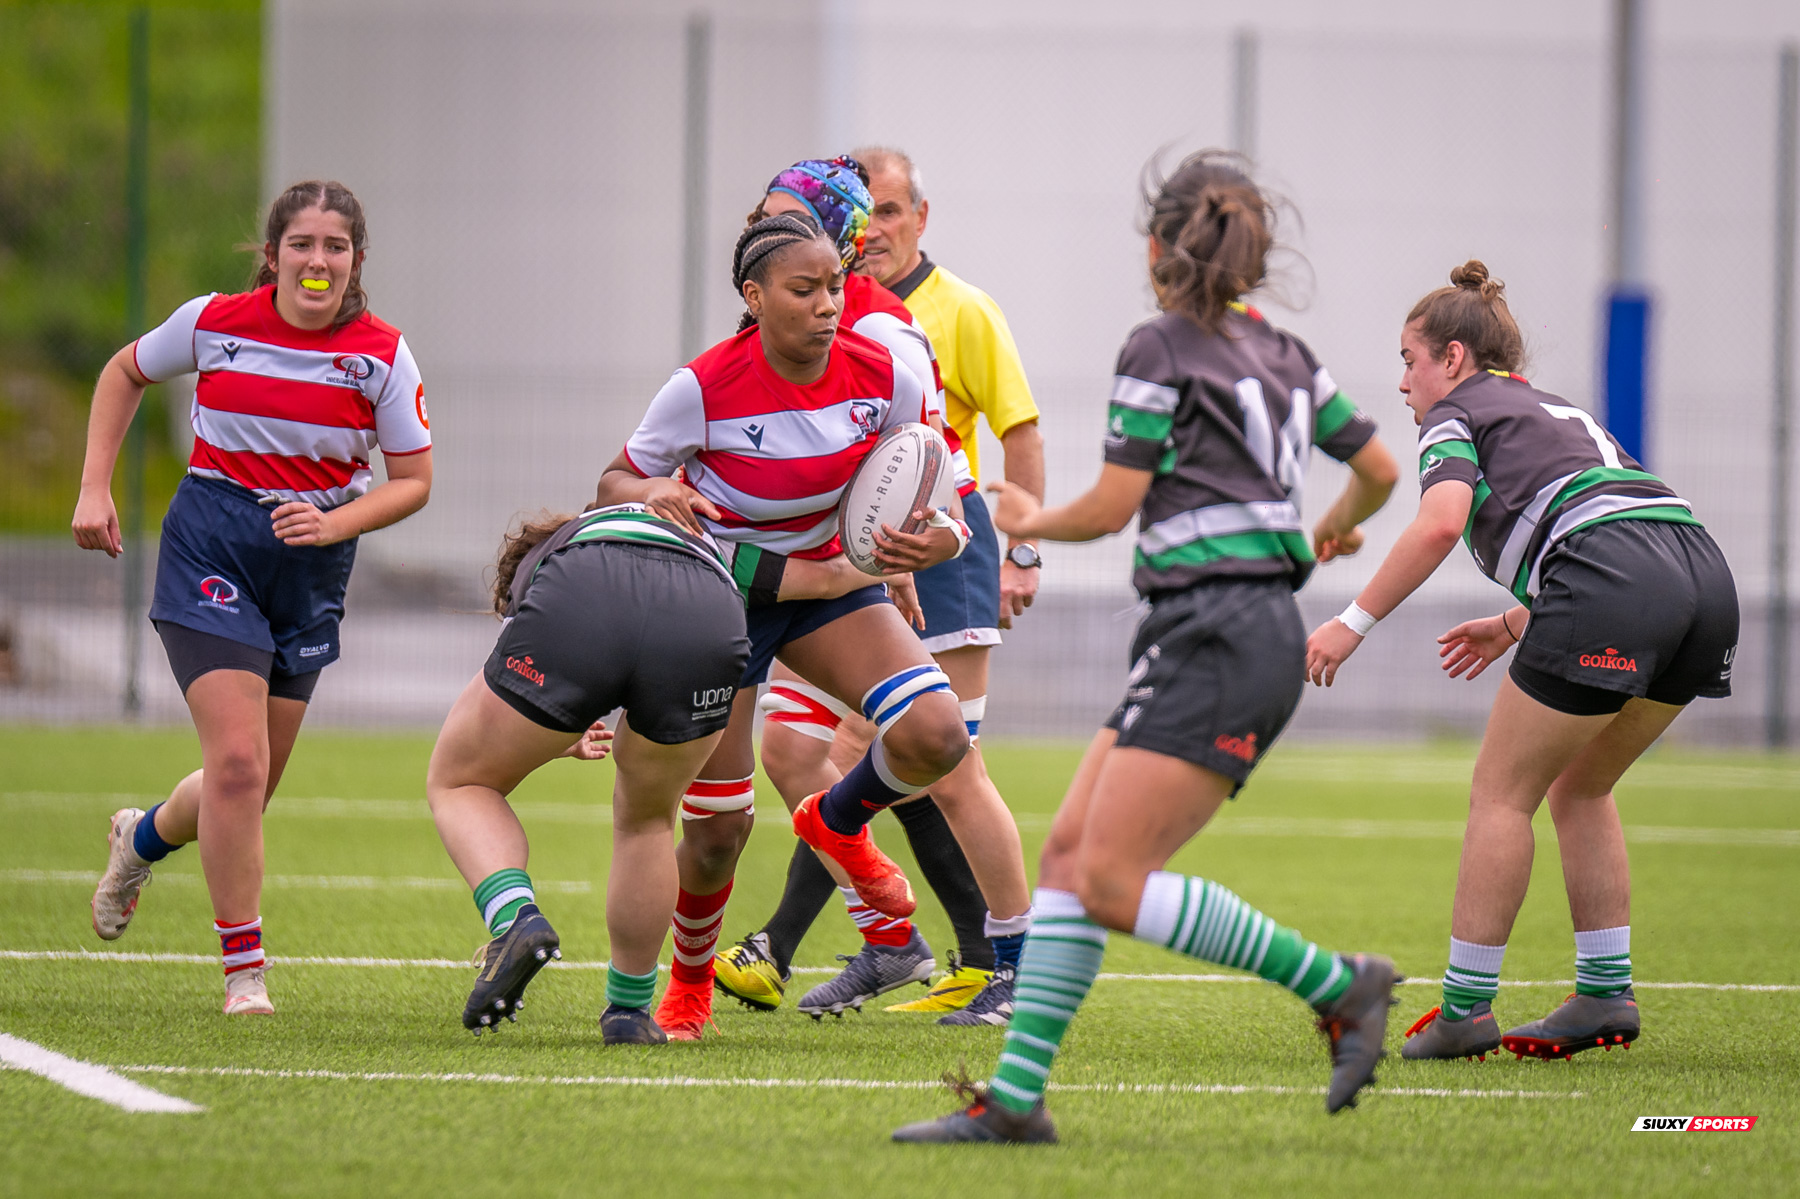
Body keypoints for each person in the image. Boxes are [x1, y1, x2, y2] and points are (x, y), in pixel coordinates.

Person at [894, 152, 1402, 1144]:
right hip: (1225, 627)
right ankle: (1016, 1098)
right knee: (1068, 857)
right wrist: (1316, 534)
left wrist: (1029, 519)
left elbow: (1119, 503)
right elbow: (1381, 468)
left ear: (1160, 248)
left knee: (1110, 881)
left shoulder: (1159, 344)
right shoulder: (1292, 356)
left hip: (1217, 630)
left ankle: (1341, 983)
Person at [1305, 261, 1739, 1063]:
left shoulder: (1458, 410)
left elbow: (1441, 524)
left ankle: (1466, 1009)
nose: (1404, 383)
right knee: (1583, 783)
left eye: (1410, 359)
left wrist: (1350, 622)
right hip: (1703, 576)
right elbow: (1610, 515)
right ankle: (1604, 990)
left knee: (1501, 795)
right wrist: (1516, 619)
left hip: (1610, 581)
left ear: (1456, 357)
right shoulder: (1550, 404)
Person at [592, 212, 973, 1040]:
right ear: (755, 296)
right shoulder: (703, 384)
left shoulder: (888, 374)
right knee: (720, 826)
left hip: (828, 588)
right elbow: (615, 478)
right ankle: (687, 988)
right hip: (718, 597)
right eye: (805, 290)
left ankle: (834, 820)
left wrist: (923, 543)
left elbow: (950, 508)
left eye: (835, 286)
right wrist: (650, 491)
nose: (829, 305)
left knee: (938, 733)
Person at [77, 181, 433, 1015]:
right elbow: (122, 372)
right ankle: (246, 972)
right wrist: (96, 487)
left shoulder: (382, 354)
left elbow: (413, 483)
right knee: (237, 765)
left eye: (335, 247)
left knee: (248, 784)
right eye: (302, 244)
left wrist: (340, 517)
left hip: (310, 563)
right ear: (271, 255)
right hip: (213, 542)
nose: (318, 261)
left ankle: (141, 836)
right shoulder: (213, 322)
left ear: (356, 261)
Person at [718, 146, 1041, 1024]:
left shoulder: (889, 327)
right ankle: (890, 935)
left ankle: (1012, 962)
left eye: (780, 209)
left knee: (950, 768)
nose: (761, 223)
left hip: (929, 550)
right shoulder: (777, 306)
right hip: (840, 564)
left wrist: (906, 560)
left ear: (838, 236)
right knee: (790, 750)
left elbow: (929, 469)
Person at [424, 501, 883, 1043]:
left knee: (462, 781)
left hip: (586, 586)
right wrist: (887, 567)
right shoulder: (707, 529)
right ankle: (629, 1011)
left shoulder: (554, 555)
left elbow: (527, 675)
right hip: (708, 608)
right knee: (648, 821)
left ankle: (513, 918)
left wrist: (555, 729)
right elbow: (823, 578)